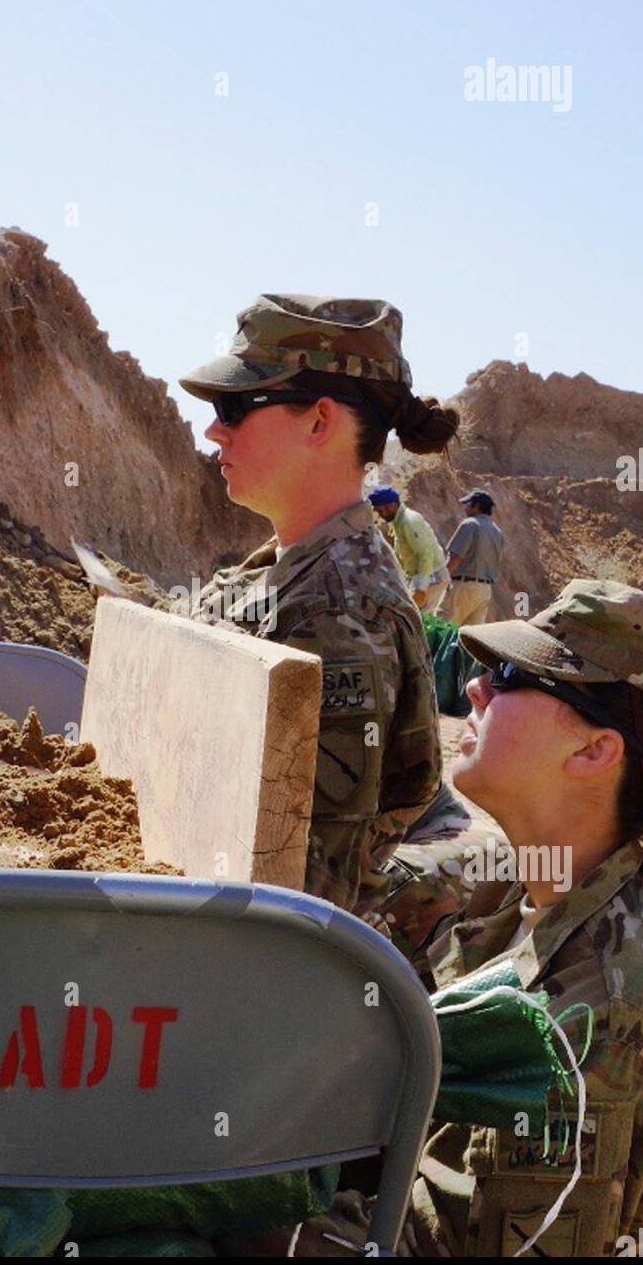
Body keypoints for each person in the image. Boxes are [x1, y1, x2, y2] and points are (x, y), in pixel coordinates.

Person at [291, 581, 643, 1256]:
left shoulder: (603, 1017)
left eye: (512, 675)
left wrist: (250, 1218)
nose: (478, 689)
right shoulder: (528, 872)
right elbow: (361, 892)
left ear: (594, 752)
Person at [179, 294, 459, 916]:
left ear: (318, 422)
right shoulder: (284, 571)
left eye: (234, 406)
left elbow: (306, 893)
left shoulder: (338, 617)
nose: (213, 428)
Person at [367, 487, 449, 613]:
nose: (381, 515)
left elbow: (425, 553)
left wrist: (421, 589)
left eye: (381, 510)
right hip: (423, 575)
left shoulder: (408, 522)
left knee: (416, 619)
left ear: (392, 505)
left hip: (431, 576)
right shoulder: (398, 522)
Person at [441, 489, 504, 627]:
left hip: (463, 587)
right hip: (485, 590)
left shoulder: (470, 524)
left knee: (443, 628)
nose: (465, 508)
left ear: (477, 506)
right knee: (470, 638)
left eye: (468, 504)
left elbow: (456, 558)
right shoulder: (497, 532)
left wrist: (437, 580)